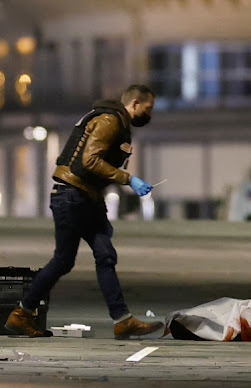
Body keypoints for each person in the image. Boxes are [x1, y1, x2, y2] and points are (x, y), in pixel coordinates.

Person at [2, 84, 163, 339]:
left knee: (105, 254)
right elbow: (89, 161)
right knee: (63, 260)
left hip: (84, 197)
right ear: (134, 104)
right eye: (148, 108)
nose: (149, 113)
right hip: (72, 196)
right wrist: (128, 178)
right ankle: (21, 314)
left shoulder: (115, 121)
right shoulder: (110, 121)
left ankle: (122, 320)